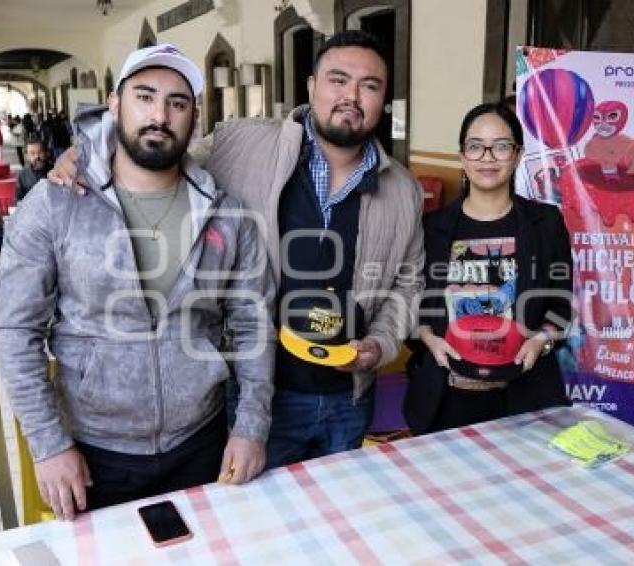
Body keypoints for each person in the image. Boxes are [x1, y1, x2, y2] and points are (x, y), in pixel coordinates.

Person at [51, 30, 424, 469]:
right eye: (338, 80)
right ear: (311, 87)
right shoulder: (240, 143)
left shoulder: (402, 189)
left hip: (349, 399)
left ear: (384, 100)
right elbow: (161, 152)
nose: (352, 97)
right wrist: (88, 154)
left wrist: (380, 345)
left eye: (370, 86)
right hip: (252, 396)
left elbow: (409, 282)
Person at [0, 43, 276, 521]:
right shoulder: (56, 203)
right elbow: (14, 330)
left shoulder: (227, 214)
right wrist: (49, 443)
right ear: (114, 104)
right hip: (93, 452)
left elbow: (254, 323)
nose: (160, 115)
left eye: (177, 103)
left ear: (194, 118)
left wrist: (251, 425)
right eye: (145, 96)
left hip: (203, 442)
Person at [403, 102, 573, 434]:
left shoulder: (547, 224)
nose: (487, 158)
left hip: (524, 399)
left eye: (501, 146)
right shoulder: (430, 228)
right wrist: (427, 339)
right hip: (445, 400)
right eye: (476, 147)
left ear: (518, 154)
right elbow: (412, 308)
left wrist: (542, 341)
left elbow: (561, 306)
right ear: (462, 157)